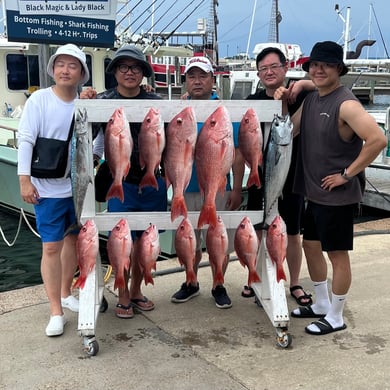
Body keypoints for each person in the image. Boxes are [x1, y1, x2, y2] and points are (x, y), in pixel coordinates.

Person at [290, 41, 387, 335]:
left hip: (337, 197)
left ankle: (336, 315)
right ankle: (321, 303)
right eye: (314, 65)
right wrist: (290, 91)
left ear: (339, 69)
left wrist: (347, 174)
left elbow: (378, 140)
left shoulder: (346, 104)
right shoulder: (312, 100)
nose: (318, 70)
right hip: (314, 194)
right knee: (310, 246)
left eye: (326, 65)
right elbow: (289, 127)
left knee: (337, 254)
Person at [81, 45, 167, 319]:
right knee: (122, 243)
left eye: (135, 67)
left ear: (143, 72)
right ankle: (124, 293)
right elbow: (84, 131)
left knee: (146, 243)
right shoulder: (104, 101)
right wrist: (84, 101)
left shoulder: (157, 101)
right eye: (123, 67)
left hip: (154, 182)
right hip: (122, 184)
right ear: (114, 71)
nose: (129, 72)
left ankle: (137, 289)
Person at [18, 44, 90, 336]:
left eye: (72, 66)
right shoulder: (39, 100)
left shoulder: (84, 103)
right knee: (51, 247)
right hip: (47, 188)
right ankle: (55, 311)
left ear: (81, 73)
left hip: (76, 189)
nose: (65, 70)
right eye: (60, 64)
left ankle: (66, 293)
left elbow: (94, 143)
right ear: (53, 69)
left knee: (73, 241)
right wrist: (24, 179)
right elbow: (26, 138)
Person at [243, 47, 314, 306]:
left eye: (274, 66)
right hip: (260, 176)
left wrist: (301, 85)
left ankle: (293, 281)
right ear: (258, 73)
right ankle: (254, 275)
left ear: (285, 67)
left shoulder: (302, 95)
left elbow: (329, 86)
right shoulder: (253, 99)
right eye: (263, 68)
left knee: (292, 232)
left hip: (293, 176)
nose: (269, 72)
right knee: (258, 229)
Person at [170, 56, 243, 309]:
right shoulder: (177, 112)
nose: (197, 81)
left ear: (213, 79)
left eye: (203, 75)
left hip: (217, 186)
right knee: (188, 237)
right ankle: (191, 280)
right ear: (186, 81)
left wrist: (236, 187)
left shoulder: (223, 112)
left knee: (218, 238)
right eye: (192, 76)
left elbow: (237, 152)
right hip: (186, 188)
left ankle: (218, 283)